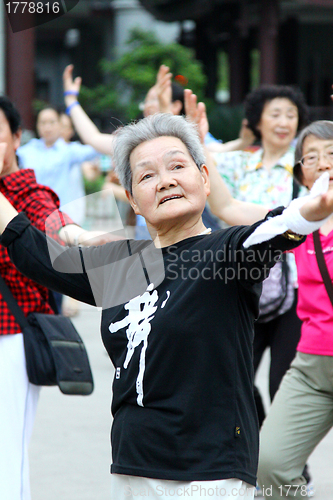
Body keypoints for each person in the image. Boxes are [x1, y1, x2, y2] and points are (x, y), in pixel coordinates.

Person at [0, 113, 331, 500]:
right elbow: (32, 251)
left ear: (204, 179)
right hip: (131, 467)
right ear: (133, 201)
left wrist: (309, 211)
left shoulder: (227, 253)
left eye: (177, 166)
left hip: (209, 475)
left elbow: (273, 231)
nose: (166, 180)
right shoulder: (121, 265)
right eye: (146, 176)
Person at [0, 95, 112, 500]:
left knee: (5, 451)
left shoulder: (24, 190)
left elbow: (54, 219)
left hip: (9, 335)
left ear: (16, 139)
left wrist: (80, 237)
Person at [209, 85, 309, 430]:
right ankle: (260, 445)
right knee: (233, 379)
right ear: (257, 121)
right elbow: (203, 161)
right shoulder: (238, 163)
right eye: (275, 114)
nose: (284, 122)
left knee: (284, 385)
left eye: (291, 115)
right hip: (242, 286)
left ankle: (292, 472)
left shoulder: (307, 167)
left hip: (294, 292)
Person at [255, 120, 333, 499]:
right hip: (312, 367)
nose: (323, 164)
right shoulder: (297, 219)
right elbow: (226, 207)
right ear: (302, 173)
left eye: (332, 154)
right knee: (269, 465)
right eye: (312, 157)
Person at [17, 107, 100, 225]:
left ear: (60, 125)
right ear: (37, 125)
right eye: (43, 122)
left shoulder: (69, 151)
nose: (47, 127)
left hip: (63, 220)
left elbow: (96, 147)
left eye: (52, 122)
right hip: (33, 218)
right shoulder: (27, 151)